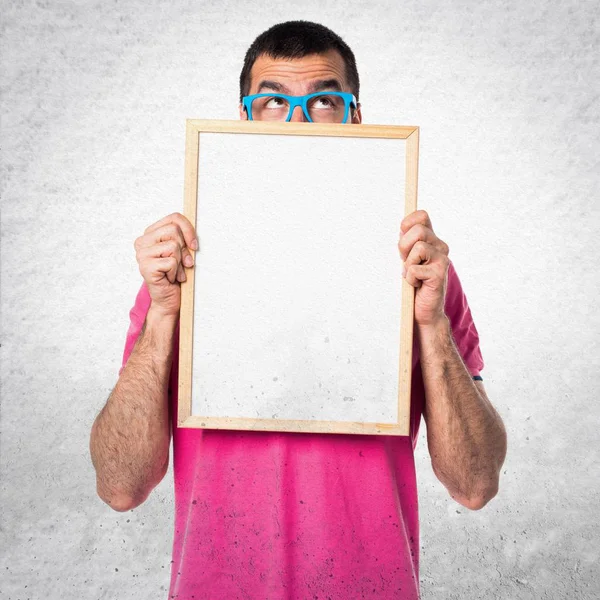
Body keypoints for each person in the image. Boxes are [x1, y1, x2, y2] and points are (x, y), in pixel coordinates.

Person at [90, 20, 507, 599]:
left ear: (356, 118)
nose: (298, 122)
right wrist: (163, 317)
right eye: (272, 102)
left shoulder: (419, 267)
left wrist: (431, 325)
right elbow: (120, 486)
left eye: (325, 101)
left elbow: (476, 484)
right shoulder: (181, 269)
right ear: (244, 119)